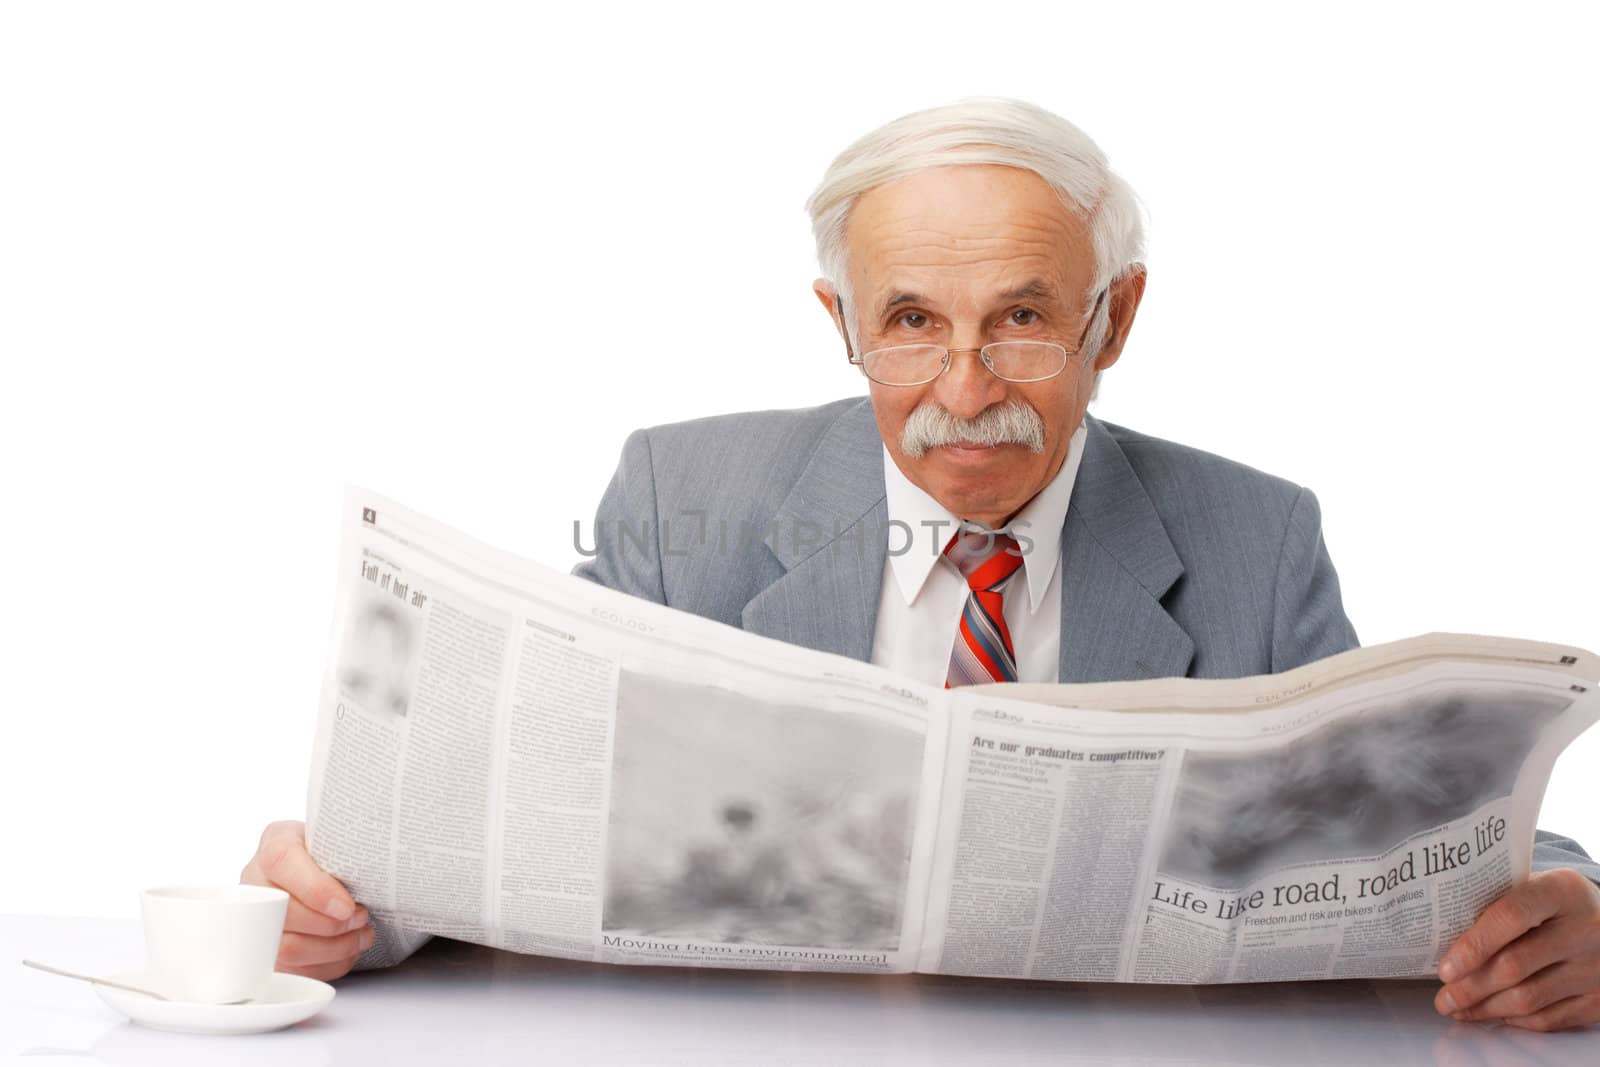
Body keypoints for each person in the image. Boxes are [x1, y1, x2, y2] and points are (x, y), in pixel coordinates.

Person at [241, 98, 1600, 1030]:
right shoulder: (684, 496)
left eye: (1020, 317)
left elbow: (1413, 832)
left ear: (1112, 320)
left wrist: (1574, 902)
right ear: (839, 322)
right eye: (908, 321)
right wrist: (345, 907)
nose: (964, 387)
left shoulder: (1254, 538)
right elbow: (505, 798)